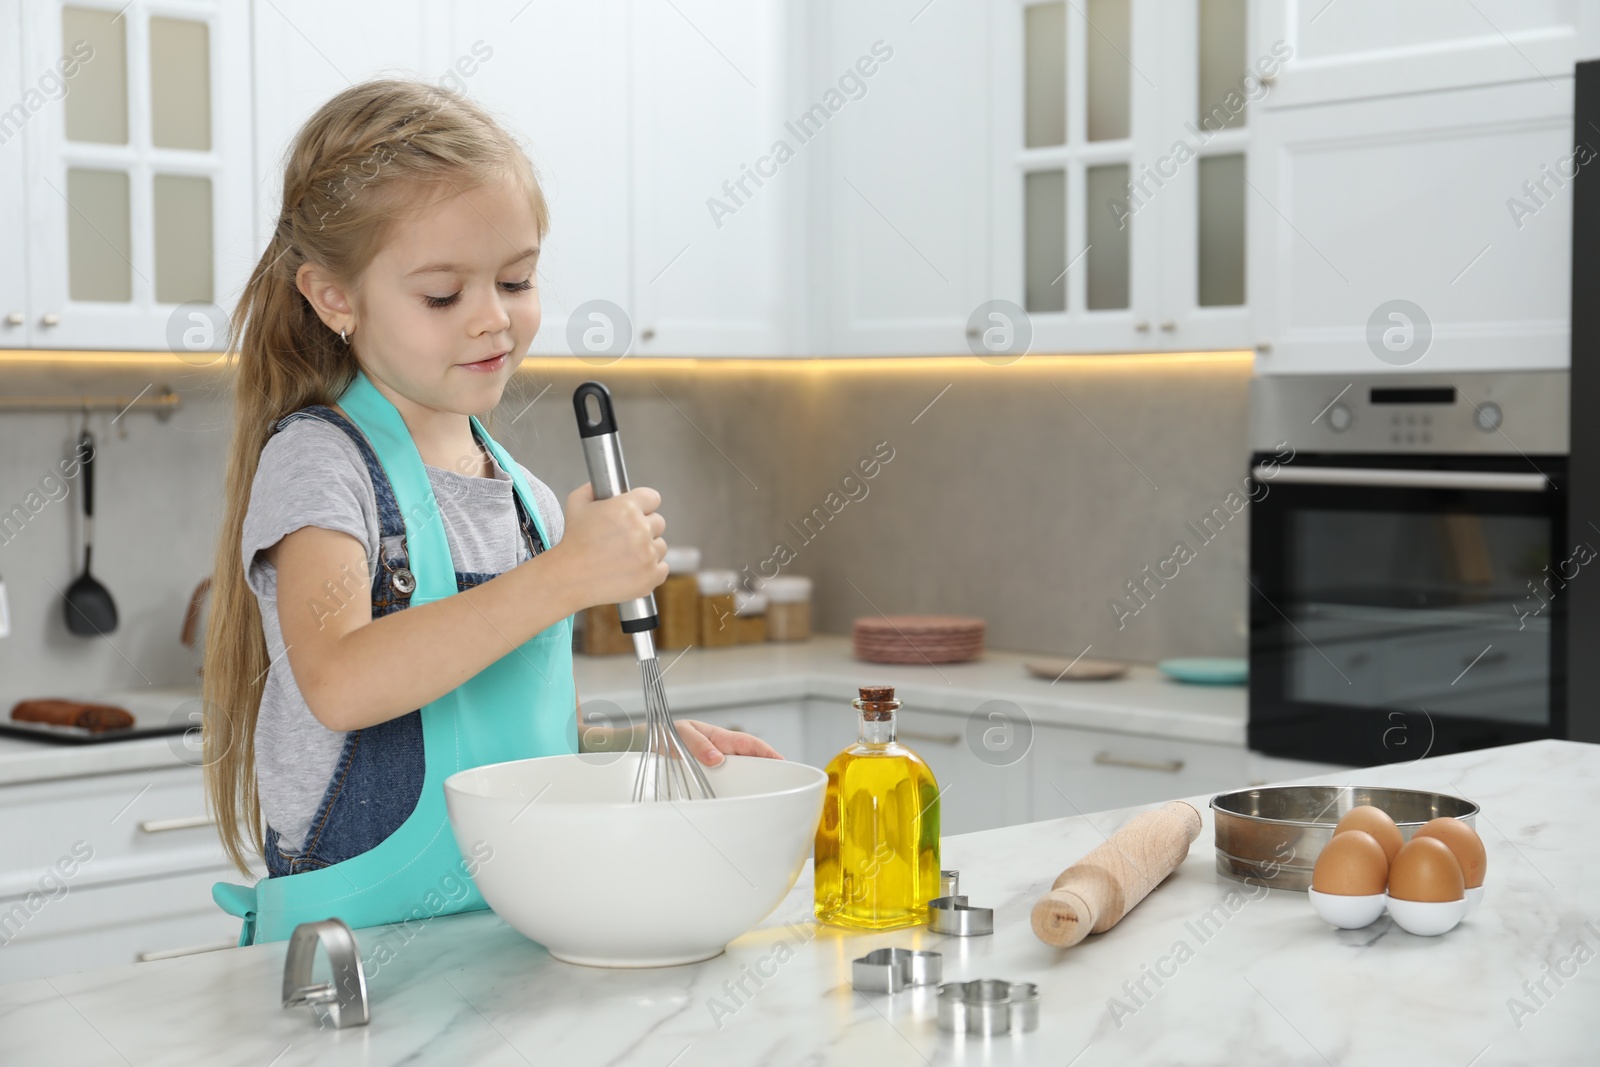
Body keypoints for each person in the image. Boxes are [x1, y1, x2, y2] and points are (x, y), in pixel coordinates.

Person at [202, 78, 779, 945]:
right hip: (356, 964)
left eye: (516, 279)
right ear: (333, 297)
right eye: (443, 294)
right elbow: (344, 681)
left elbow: (497, 739)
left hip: (515, 939)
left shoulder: (530, 502)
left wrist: (620, 747)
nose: (492, 320)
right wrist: (564, 576)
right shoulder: (321, 461)